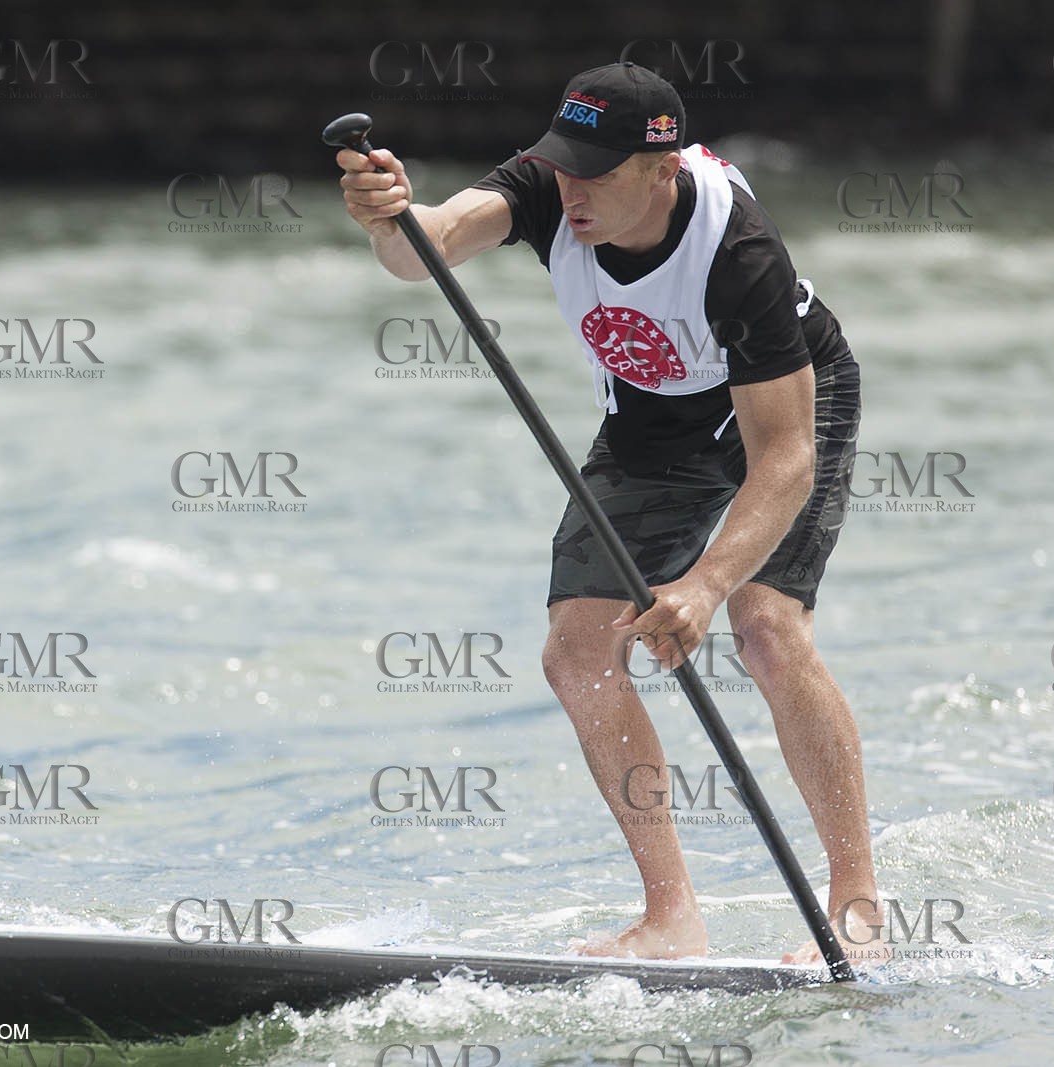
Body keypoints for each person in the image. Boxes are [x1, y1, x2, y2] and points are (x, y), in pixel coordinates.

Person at [336, 61, 883, 966]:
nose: (569, 185)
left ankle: (858, 904)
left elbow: (783, 460)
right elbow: (419, 251)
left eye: (595, 168)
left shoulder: (737, 253)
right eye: (563, 162)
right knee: (578, 649)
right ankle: (672, 916)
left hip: (783, 410)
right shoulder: (550, 189)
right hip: (655, 417)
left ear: (662, 169)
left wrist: (706, 586)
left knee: (765, 628)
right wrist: (389, 212)